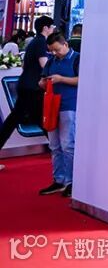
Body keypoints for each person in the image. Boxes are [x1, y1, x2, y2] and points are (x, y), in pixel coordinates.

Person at [0, 16, 54, 152]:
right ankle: (58, 148)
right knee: (40, 118)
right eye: (52, 27)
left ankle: (57, 147)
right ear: (45, 28)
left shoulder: (33, 42)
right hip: (33, 88)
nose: (53, 29)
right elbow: (44, 64)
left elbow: (24, 66)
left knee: (16, 119)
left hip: (25, 84)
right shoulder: (41, 42)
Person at [38, 32, 79, 197]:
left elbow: (82, 80)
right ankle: (58, 180)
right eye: (52, 51)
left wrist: (61, 79)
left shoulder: (77, 59)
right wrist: (43, 83)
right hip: (52, 106)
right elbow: (41, 80)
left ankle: (71, 182)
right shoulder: (51, 61)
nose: (55, 53)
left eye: (57, 49)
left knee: (68, 145)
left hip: (69, 105)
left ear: (65, 44)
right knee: (54, 145)